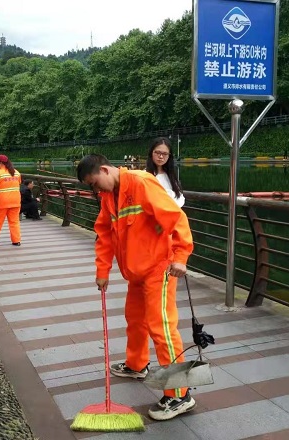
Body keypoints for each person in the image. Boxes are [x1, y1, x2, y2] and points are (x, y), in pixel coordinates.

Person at [77, 154, 195, 421]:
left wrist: (180, 257)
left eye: (95, 183)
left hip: (159, 268)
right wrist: (102, 271)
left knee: (162, 327)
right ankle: (136, 365)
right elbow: (104, 235)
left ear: (105, 170)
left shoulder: (142, 183)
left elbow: (176, 219)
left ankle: (180, 394)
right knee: (135, 320)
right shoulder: (109, 197)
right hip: (137, 273)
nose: (96, 190)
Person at [146, 137, 185, 208]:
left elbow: (180, 196)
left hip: (173, 215)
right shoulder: (144, 175)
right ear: (151, 152)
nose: (161, 156)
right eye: (158, 152)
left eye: (165, 154)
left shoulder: (170, 175)